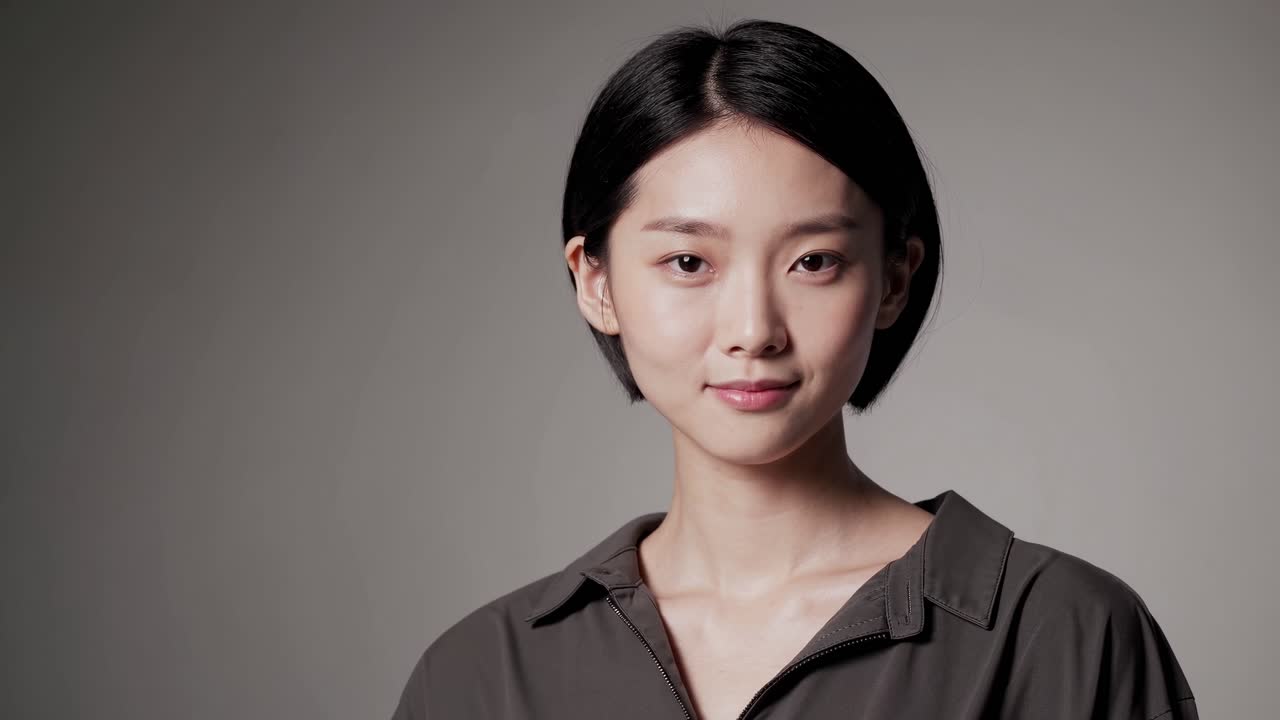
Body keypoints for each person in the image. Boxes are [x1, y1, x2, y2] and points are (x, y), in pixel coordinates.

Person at [391, 18, 1198, 720]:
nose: (752, 330)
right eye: (686, 261)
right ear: (596, 283)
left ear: (893, 279)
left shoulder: (1062, 634)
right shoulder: (481, 675)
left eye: (813, 261)